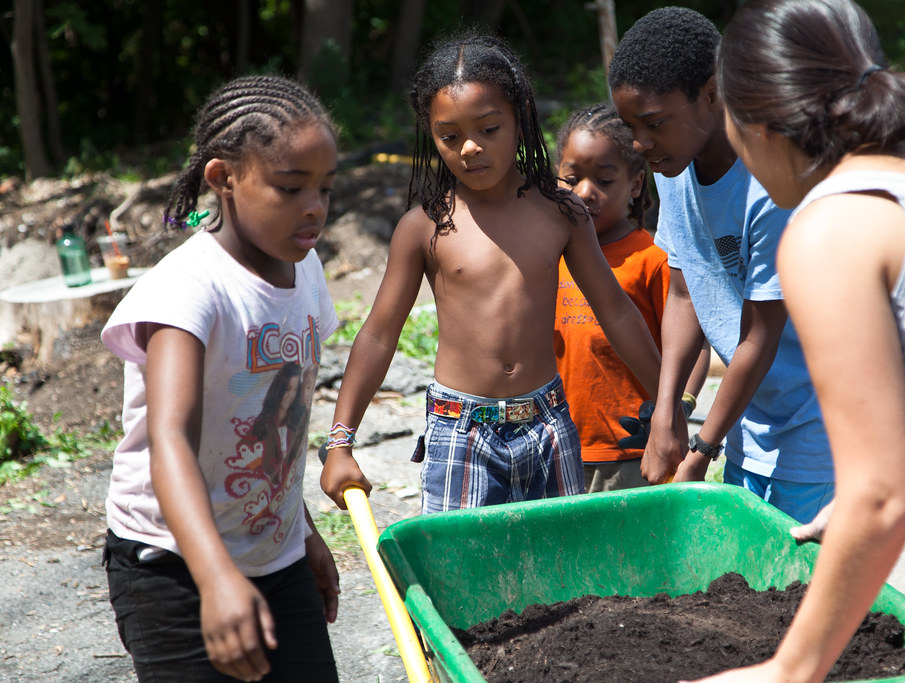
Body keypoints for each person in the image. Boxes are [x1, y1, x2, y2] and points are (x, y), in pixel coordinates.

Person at [690, 0, 905, 681]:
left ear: (753, 123)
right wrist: (852, 500)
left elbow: (884, 496)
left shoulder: (829, 228)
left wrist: (789, 668)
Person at [319, 33, 662, 514]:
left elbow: (616, 312)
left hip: (547, 424)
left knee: (561, 575)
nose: (470, 148)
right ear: (431, 135)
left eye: (488, 128)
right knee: (461, 573)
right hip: (461, 432)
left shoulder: (561, 212)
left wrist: (669, 406)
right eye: (450, 136)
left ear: (520, 119)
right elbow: (378, 335)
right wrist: (340, 443)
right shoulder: (424, 227)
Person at [100, 74, 350, 682]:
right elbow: (172, 443)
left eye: (324, 187)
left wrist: (303, 533)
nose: (314, 206)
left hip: (274, 555)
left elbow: (278, 428)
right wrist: (215, 579)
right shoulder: (189, 290)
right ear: (223, 179)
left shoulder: (306, 266)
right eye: (291, 188)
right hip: (174, 568)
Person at [607, 6, 834, 523]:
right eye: (630, 126)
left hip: (814, 430)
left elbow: (760, 335)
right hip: (747, 421)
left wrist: (700, 452)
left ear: (711, 93)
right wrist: (668, 408)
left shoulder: (770, 184)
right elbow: (687, 291)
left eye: (654, 123)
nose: (640, 143)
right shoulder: (673, 166)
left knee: (802, 589)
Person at [552, 103, 709, 492]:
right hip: (555, 446)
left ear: (636, 184)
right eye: (572, 179)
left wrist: (677, 407)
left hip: (628, 452)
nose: (585, 193)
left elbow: (696, 345)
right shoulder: (546, 254)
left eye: (604, 181)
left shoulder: (650, 259)